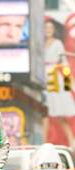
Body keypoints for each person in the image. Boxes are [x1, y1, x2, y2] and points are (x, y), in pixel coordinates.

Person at [42, 19, 75, 149]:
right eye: (46, 28)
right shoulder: (39, 44)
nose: (48, 30)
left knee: (60, 114)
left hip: (55, 80)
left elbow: (65, 64)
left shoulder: (58, 44)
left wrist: (69, 86)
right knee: (43, 112)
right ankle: (43, 143)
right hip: (41, 79)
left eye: (50, 28)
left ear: (53, 30)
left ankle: (72, 140)